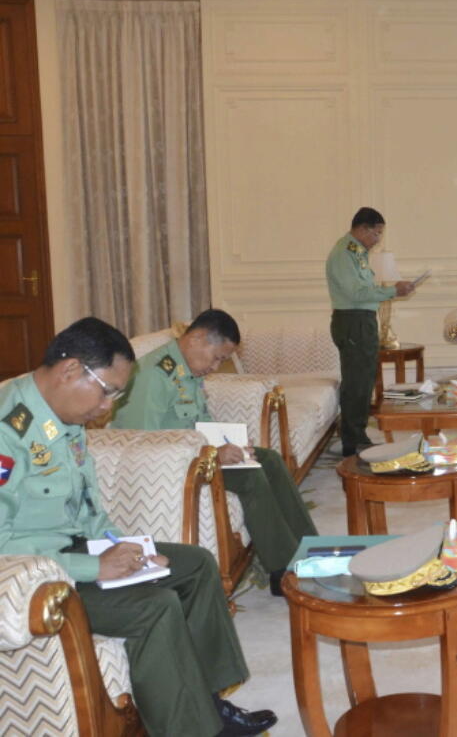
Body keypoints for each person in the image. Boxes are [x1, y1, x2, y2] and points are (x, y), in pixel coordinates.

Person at [0, 318, 276, 737]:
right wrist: (96, 569)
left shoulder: (66, 418)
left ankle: (210, 701)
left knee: (197, 564)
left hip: (78, 553)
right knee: (156, 605)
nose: (108, 407)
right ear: (71, 370)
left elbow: (88, 505)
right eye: (107, 391)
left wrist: (125, 546)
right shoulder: (7, 430)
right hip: (38, 579)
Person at [112, 308, 317, 596]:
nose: (216, 366)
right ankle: (282, 570)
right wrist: (211, 456)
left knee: (266, 458)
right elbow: (145, 446)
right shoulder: (153, 376)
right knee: (249, 477)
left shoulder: (187, 369)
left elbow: (199, 422)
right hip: (169, 466)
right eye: (218, 357)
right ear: (196, 339)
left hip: (194, 454)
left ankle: (310, 549)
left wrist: (229, 446)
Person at [326, 207, 415, 456]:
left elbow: (362, 290)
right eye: (376, 233)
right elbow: (356, 293)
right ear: (363, 228)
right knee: (356, 383)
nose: (377, 240)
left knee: (364, 381)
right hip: (353, 321)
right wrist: (392, 291)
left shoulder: (356, 252)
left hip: (361, 320)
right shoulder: (345, 253)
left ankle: (358, 436)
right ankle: (353, 442)